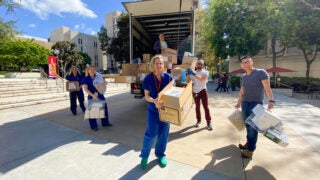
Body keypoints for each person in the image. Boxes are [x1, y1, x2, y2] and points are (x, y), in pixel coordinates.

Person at [235, 56, 275, 158]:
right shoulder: (243, 76)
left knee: (253, 128)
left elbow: (267, 87)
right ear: (241, 65)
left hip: (256, 104)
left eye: (247, 62)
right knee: (247, 126)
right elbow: (242, 90)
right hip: (245, 103)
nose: (245, 64)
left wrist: (271, 100)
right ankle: (249, 144)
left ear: (252, 62)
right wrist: (239, 102)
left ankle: (250, 150)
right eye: (243, 63)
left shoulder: (261, 73)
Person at [140, 55, 173, 170]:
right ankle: (144, 156)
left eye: (161, 63)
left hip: (166, 111)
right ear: (153, 65)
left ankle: (160, 155)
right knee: (151, 133)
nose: (159, 65)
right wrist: (154, 101)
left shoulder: (168, 77)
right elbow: (146, 96)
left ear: (163, 65)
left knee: (164, 134)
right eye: (156, 63)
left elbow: (172, 94)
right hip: (153, 110)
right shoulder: (148, 79)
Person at [82, 65, 112, 131]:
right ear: (88, 70)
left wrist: (99, 88)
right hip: (92, 96)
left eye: (94, 69)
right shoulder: (86, 79)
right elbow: (85, 89)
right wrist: (93, 95)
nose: (92, 71)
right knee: (93, 112)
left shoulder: (99, 76)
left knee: (104, 109)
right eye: (91, 69)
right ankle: (94, 126)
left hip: (100, 95)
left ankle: (105, 123)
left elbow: (105, 83)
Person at [187, 59, 213, 131]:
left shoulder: (205, 72)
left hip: (203, 91)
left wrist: (193, 73)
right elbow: (188, 81)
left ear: (203, 65)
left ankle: (209, 123)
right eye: (198, 63)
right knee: (197, 107)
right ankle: (198, 121)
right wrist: (188, 74)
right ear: (196, 64)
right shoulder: (193, 72)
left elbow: (202, 79)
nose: (200, 65)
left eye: (201, 64)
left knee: (206, 107)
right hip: (195, 92)